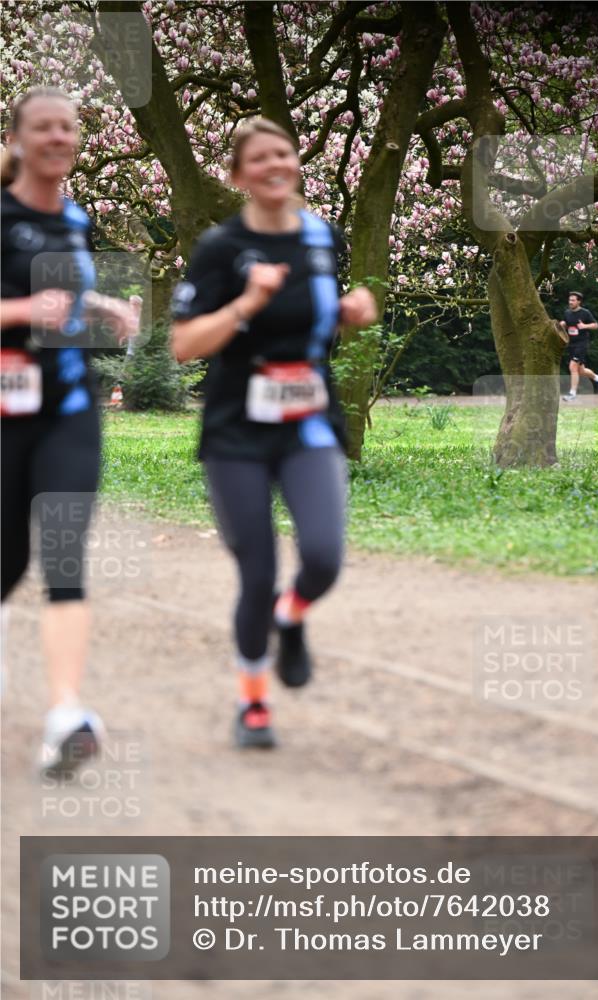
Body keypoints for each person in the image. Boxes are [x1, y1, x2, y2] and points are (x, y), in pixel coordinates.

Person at [170, 118, 377, 749]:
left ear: (296, 163)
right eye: (258, 158)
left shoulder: (321, 238)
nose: (273, 164)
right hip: (237, 427)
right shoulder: (220, 248)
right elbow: (183, 345)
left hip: (308, 419)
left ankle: (291, 619)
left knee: (322, 556)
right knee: (256, 571)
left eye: (282, 153)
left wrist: (348, 314)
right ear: (239, 176)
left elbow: (313, 322)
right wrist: (245, 306)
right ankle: (253, 702)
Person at [1, 87, 137, 774]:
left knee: (62, 556)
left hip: (67, 407)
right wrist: (24, 307)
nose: (58, 136)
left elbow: (66, 301)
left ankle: (65, 717)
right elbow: (33, 301)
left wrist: (101, 303)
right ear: (18, 140)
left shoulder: (76, 219)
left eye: (68, 127)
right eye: (43, 127)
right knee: (7, 561)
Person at [560, 291, 598, 401]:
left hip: (582, 343)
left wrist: (584, 326)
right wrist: (562, 324)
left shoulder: (585, 313)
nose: (570, 302)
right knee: (581, 370)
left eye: (573, 300)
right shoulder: (567, 313)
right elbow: (566, 324)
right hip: (572, 344)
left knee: (572, 367)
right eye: (569, 300)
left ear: (579, 301)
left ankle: (572, 393)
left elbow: (596, 325)